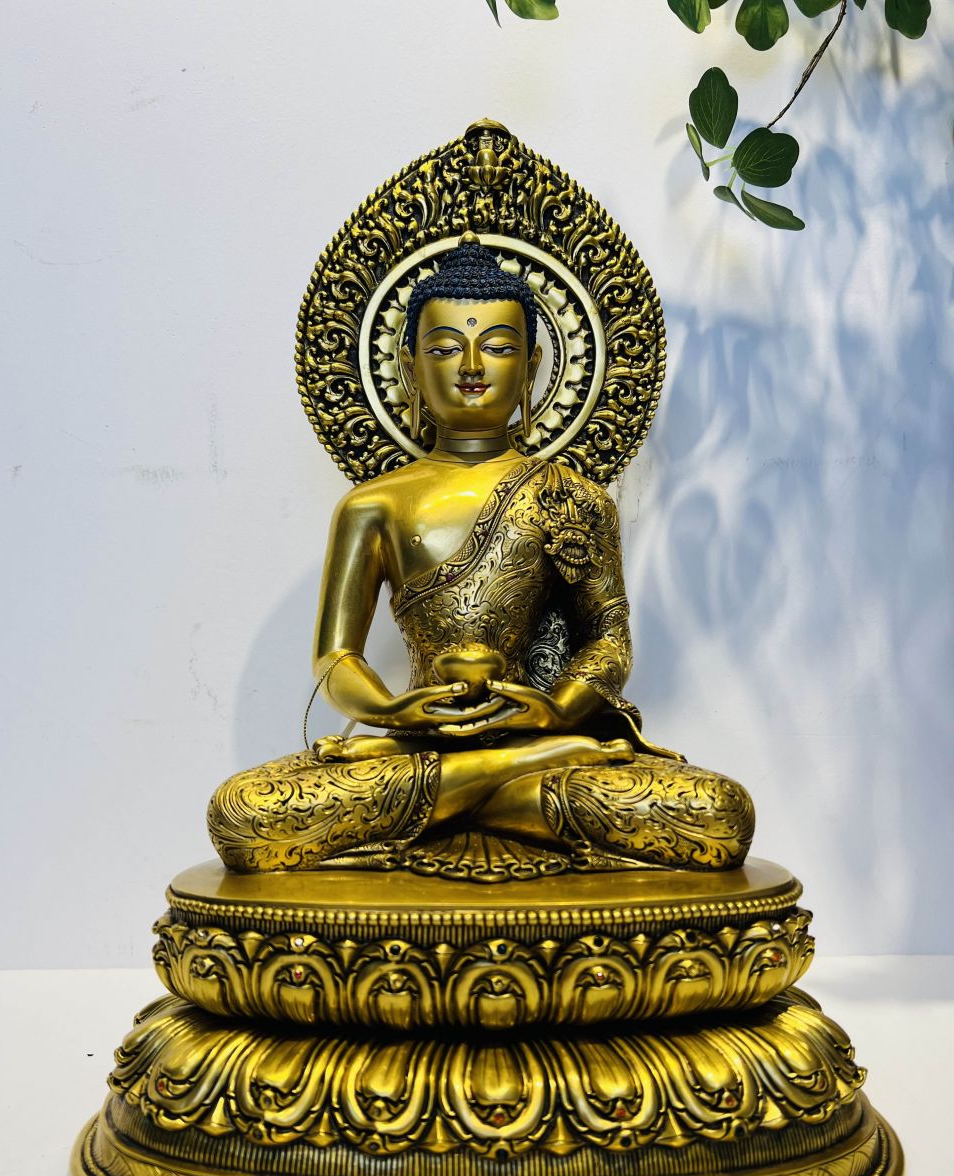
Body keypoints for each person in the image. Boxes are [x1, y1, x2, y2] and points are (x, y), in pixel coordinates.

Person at [208, 239, 754, 875]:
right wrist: (388, 710)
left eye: (497, 346)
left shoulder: (574, 498)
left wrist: (556, 711)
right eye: (444, 349)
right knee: (242, 815)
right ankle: (505, 780)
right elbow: (336, 657)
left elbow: (609, 641)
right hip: (420, 745)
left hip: (536, 735)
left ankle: (471, 790)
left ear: (533, 365)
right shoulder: (373, 505)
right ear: (410, 366)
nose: (471, 366)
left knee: (719, 815)